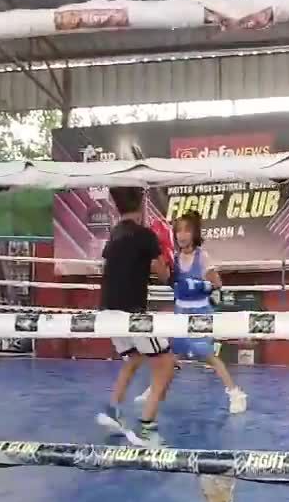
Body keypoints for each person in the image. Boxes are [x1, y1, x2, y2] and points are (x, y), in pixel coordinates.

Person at [137, 211, 247, 414]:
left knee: (207, 355)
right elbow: (170, 282)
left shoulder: (202, 257)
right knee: (171, 355)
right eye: (178, 231)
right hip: (181, 310)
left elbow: (217, 284)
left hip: (200, 311)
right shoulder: (174, 258)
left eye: (186, 230)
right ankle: (155, 389)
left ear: (194, 233)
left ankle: (236, 394)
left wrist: (197, 285)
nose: (182, 235)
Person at [97, 186, 175, 446]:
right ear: (142, 204)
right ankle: (146, 429)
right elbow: (163, 274)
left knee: (134, 357)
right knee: (166, 363)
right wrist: (164, 254)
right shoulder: (145, 235)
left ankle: (112, 410)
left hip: (108, 311)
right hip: (132, 313)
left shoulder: (114, 235)